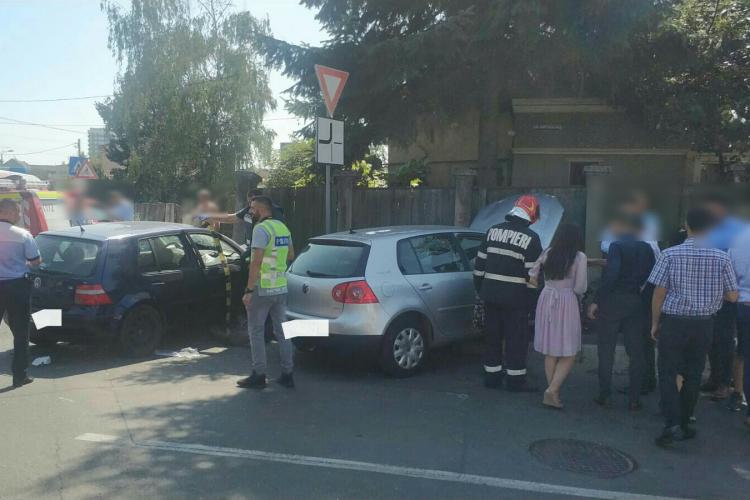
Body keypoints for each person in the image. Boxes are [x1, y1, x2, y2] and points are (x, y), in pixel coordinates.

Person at [648, 207, 738, 447]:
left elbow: (659, 292)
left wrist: (655, 322)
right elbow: (732, 295)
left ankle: (672, 424)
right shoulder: (722, 257)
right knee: (694, 374)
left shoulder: (669, 254)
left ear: (686, 225)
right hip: (704, 324)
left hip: (674, 322)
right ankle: (685, 421)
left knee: (667, 372)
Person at [474, 194, 543, 392]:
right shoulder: (531, 239)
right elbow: (533, 277)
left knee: (492, 338)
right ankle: (515, 381)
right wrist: (531, 303)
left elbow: (479, 268)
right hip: (516, 300)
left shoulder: (492, 232)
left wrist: (482, 291)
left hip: (491, 295)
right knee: (516, 340)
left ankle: (491, 377)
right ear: (531, 215)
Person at [588, 215, 656, 411]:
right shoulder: (646, 248)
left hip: (613, 301)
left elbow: (611, 275)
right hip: (636, 301)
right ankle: (634, 398)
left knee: (606, 348)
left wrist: (597, 300)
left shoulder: (616, 247)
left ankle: (605, 394)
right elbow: (651, 277)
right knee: (636, 352)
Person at [236, 196, 296, 390]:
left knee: (256, 331)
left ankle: (259, 375)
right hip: (280, 287)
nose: (250, 212)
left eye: (252, 209)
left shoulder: (260, 229)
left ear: (261, 210)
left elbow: (256, 261)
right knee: (282, 332)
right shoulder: (282, 228)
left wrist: (249, 290)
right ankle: (288, 374)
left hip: (262, 288)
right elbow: (290, 255)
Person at [529, 224, 587, 408]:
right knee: (569, 350)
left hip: (546, 298)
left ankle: (552, 391)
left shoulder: (548, 252)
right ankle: (552, 390)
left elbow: (532, 273)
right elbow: (580, 288)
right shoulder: (579, 257)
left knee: (551, 349)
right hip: (566, 301)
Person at [700, 193, 746, 403]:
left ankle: (724, 383)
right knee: (711, 338)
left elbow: (733, 263)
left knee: (725, 340)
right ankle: (715, 377)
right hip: (710, 291)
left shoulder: (736, 231)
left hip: (728, 294)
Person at [0, 198, 41, 388]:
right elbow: (35, 261)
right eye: (16, 212)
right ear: (6, 212)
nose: (18, 215)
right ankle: (20, 376)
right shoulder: (23, 234)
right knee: (21, 333)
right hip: (17, 286)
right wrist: (21, 264)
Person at [206, 190, 285, 248]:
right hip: (253, 247)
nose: (250, 207)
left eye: (252, 203)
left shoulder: (275, 213)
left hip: (266, 249)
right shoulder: (248, 210)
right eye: (250, 203)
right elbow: (232, 218)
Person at [729, 226, 750, 429]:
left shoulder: (739, 240)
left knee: (744, 353)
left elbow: (729, 278)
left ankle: (738, 392)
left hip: (744, 305)